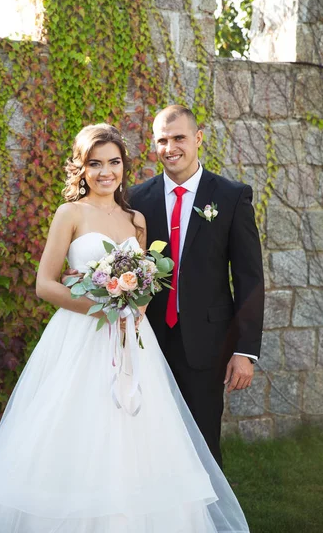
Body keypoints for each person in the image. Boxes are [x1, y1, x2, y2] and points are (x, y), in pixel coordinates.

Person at [0, 123, 250, 532]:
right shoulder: (70, 214)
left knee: (138, 436)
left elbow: (147, 280)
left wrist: (136, 302)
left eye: (113, 162)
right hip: (82, 335)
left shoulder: (136, 219)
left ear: (123, 166)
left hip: (132, 341)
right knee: (76, 428)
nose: (105, 172)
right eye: (95, 164)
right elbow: (46, 284)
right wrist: (100, 309)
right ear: (81, 167)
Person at [129, 105, 265, 468]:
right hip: (148, 342)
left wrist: (246, 350)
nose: (170, 147)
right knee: (145, 440)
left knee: (202, 444)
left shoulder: (232, 196)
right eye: (161, 140)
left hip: (208, 344)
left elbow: (250, 277)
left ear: (198, 139)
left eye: (178, 138)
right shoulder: (136, 199)